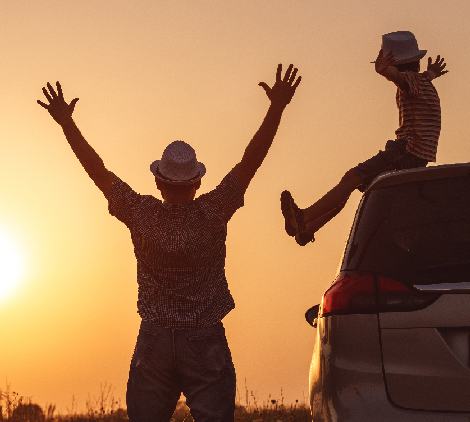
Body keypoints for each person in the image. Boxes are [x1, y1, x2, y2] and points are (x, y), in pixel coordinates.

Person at [37, 63, 301, 422]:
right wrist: (277, 107)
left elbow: (97, 170)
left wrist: (66, 123)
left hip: (154, 341)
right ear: (197, 183)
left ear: (158, 182)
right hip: (205, 339)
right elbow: (251, 161)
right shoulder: (214, 210)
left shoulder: (140, 212)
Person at [281, 31, 448, 246]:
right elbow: (422, 77)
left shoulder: (409, 80)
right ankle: (308, 230)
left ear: (396, 64)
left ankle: (303, 218)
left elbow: (398, 77)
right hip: (418, 156)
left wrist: (384, 71)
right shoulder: (424, 82)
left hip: (407, 150)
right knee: (353, 184)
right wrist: (432, 72)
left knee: (351, 178)